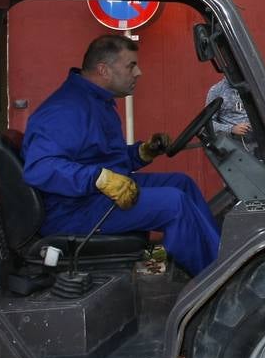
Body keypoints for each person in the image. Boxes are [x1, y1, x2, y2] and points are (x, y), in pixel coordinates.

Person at [23, 34, 221, 275]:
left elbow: (103, 158)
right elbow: (40, 167)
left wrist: (142, 152)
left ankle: (218, 256)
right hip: (73, 210)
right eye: (131, 66)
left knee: (182, 183)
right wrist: (99, 178)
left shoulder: (97, 101)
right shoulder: (65, 110)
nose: (138, 73)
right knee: (173, 204)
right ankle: (211, 280)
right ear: (104, 70)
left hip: (93, 198)